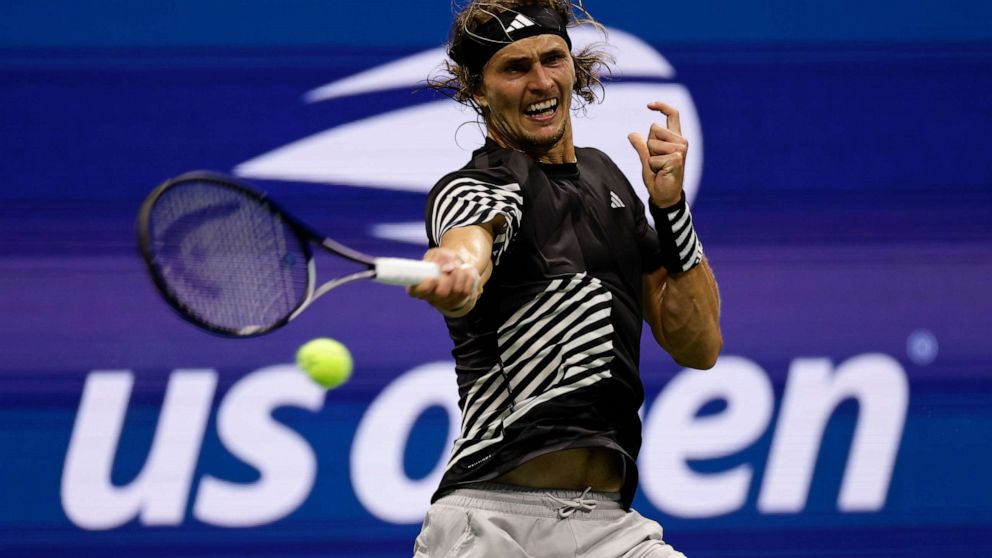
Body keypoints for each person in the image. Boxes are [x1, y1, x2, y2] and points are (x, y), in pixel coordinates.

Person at [407, 1, 722, 555]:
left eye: (553, 58)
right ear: (479, 91)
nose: (540, 80)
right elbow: (470, 240)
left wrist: (670, 209)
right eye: (514, 67)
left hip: (607, 524)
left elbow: (699, 345)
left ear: (575, 68)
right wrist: (456, 271)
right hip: (492, 520)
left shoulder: (609, 178)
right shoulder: (477, 184)